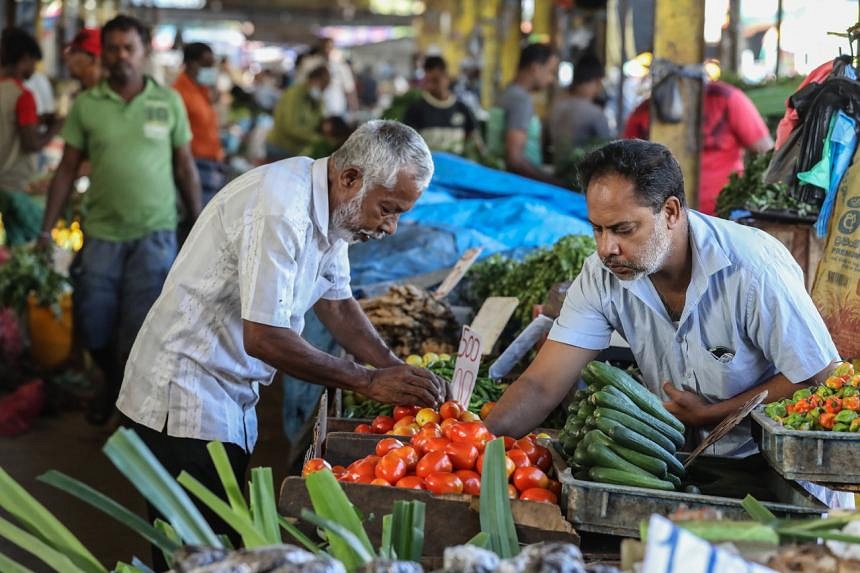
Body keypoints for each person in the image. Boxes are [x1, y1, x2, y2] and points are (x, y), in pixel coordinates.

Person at [116, 120, 447, 563]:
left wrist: (391, 368)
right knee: (194, 554)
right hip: (184, 390)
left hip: (226, 388)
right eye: (388, 209)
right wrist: (367, 381)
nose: (390, 227)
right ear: (351, 178)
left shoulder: (336, 207)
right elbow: (266, 338)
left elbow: (337, 302)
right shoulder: (280, 208)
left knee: (217, 543)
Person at [486, 139, 838, 463]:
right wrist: (474, 445)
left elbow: (817, 376)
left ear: (670, 212)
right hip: (679, 463)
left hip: (773, 465)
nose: (606, 248)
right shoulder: (601, 275)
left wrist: (715, 413)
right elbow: (541, 384)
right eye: (597, 229)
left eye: (623, 229)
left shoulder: (753, 269)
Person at [38, 15, 202, 425]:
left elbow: (185, 167)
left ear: (144, 51)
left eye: (129, 48)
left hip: (155, 235)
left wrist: (199, 227)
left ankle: (129, 410)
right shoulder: (88, 105)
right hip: (102, 235)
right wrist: (46, 228)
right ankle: (112, 383)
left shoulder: (167, 102)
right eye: (113, 49)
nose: (121, 56)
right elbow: (66, 169)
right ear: (103, 53)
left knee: (141, 328)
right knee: (93, 323)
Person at [623, 79, 773, 215]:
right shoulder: (642, 112)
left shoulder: (726, 99)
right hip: (664, 219)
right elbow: (625, 168)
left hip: (725, 215)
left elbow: (767, 154)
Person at [0, 27, 62, 196]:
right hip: (11, 185)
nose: (35, 69)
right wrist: (55, 128)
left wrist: (39, 119)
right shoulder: (22, 95)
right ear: (26, 59)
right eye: (35, 62)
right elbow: (32, 144)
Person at [489, 43, 562, 186]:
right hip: (518, 186)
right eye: (550, 71)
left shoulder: (507, 93)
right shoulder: (520, 100)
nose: (551, 79)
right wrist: (551, 182)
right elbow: (514, 159)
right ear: (535, 68)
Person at [173, 42, 225, 207]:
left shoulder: (201, 88)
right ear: (191, 63)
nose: (210, 69)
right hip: (195, 164)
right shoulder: (178, 93)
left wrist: (213, 87)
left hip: (210, 160)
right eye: (206, 65)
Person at [403, 56, 479, 156]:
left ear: (447, 77)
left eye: (435, 80)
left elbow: (473, 138)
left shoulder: (462, 108)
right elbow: (408, 146)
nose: (430, 86)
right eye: (427, 81)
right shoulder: (416, 110)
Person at [550, 53, 611, 172]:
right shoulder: (595, 114)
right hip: (581, 177)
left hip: (558, 171)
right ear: (597, 81)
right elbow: (608, 150)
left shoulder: (556, 105)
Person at [267, 65, 330, 161]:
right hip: (280, 147)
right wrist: (316, 139)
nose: (323, 90)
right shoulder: (294, 94)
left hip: (296, 150)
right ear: (314, 80)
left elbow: (320, 120)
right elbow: (290, 127)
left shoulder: (315, 99)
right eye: (322, 86)